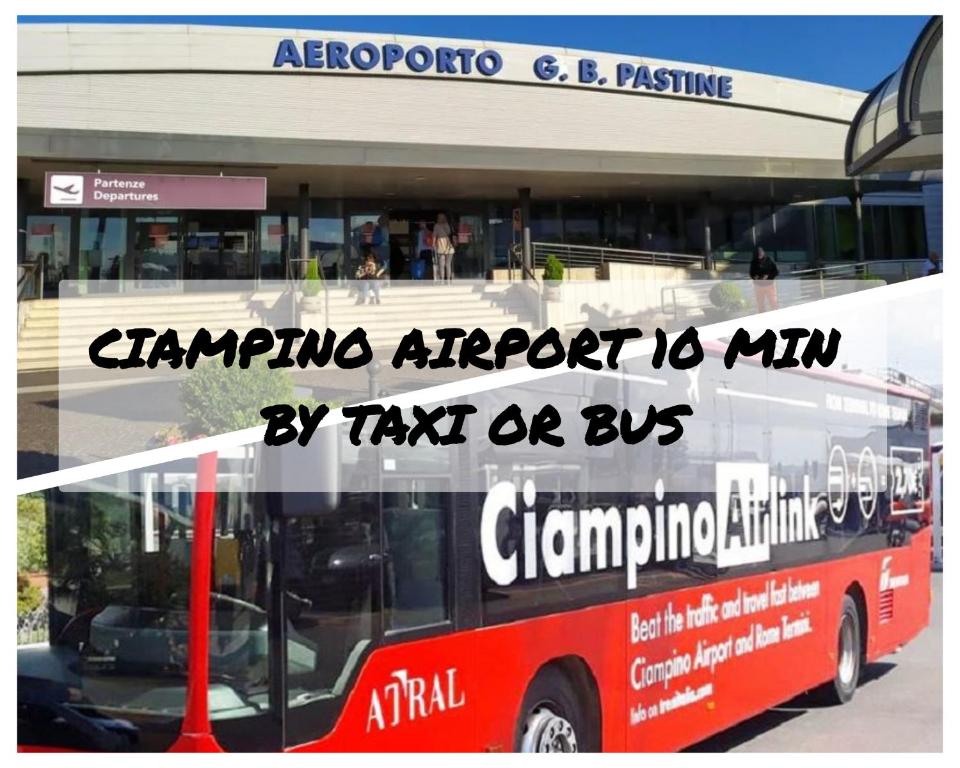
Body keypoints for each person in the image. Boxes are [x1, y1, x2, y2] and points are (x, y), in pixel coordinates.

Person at [749, 246, 779, 312]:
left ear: (763, 252)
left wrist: (768, 276)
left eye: (761, 251)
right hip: (758, 286)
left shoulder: (769, 260)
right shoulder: (753, 262)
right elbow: (751, 273)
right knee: (760, 305)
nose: (759, 253)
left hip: (769, 285)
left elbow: (776, 272)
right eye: (758, 252)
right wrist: (754, 277)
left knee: (773, 303)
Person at [433, 213, 457, 283]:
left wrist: (433, 245)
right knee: (448, 264)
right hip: (450, 247)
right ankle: (449, 280)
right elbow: (451, 233)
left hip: (441, 247)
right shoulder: (448, 225)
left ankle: (442, 280)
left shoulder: (436, 226)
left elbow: (434, 236)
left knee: (441, 265)